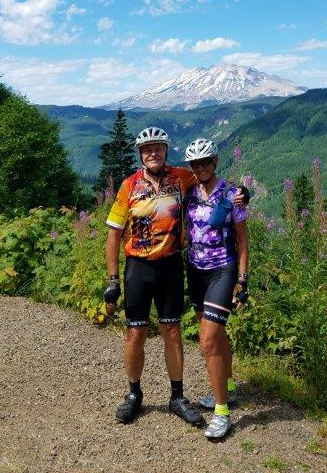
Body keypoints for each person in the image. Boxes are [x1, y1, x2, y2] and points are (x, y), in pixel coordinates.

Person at [103, 127, 248, 426]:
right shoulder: (128, 186)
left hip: (170, 266)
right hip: (138, 267)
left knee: (172, 331)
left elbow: (213, 180)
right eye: (147, 149)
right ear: (140, 154)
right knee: (136, 333)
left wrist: (245, 193)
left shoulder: (181, 178)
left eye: (158, 148)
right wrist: (113, 279)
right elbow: (114, 233)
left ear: (166, 151)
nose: (153, 153)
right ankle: (133, 394)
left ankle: (177, 396)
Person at [183, 138, 249, 439]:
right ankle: (229, 387)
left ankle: (222, 412)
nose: (200, 168)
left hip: (223, 270)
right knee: (217, 335)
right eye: (195, 164)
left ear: (216, 162)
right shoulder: (188, 191)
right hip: (195, 271)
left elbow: (243, 239)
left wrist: (242, 279)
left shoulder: (233, 195)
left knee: (207, 340)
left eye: (205, 162)